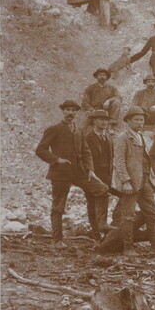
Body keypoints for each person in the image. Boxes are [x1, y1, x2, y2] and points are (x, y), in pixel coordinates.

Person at [35, 99, 90, 242]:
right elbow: (40, 150)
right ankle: (58, 240)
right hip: (60, 174)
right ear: (63, 111)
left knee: (100, 190)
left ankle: (98, 234)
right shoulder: (54, 129)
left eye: (73, 110)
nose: (70, 113)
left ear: (76, 113)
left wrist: (89, 169)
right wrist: (57, 159)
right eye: (68, 110)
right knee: (58, 207)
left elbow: (86, 152)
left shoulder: (79, 131)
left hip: (78, 173)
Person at [111, 107, 155, 249]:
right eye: (137, 120)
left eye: (142, 120)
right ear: (128, 121)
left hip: (145, 183)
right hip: (131, 184)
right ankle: (128, 247)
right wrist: (125, 181)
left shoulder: (141, 137)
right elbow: (119, 162)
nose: (140, 123)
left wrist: (151, 180)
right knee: (128, 216)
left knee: (152, 214)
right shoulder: (122, 138)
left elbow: (146, 161)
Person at [79, 108, 115, 237]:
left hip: (107, 175)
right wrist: (88, 172)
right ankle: (96, 234)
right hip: (92, 175)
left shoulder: (109, 137)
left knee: (109, 198)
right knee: (92, 204)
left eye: (106, 120)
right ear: (94, 121)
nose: (104, 122)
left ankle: (108, 227)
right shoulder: (88, 137)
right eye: (100, 119)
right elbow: (83, 157)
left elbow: (111, 157)